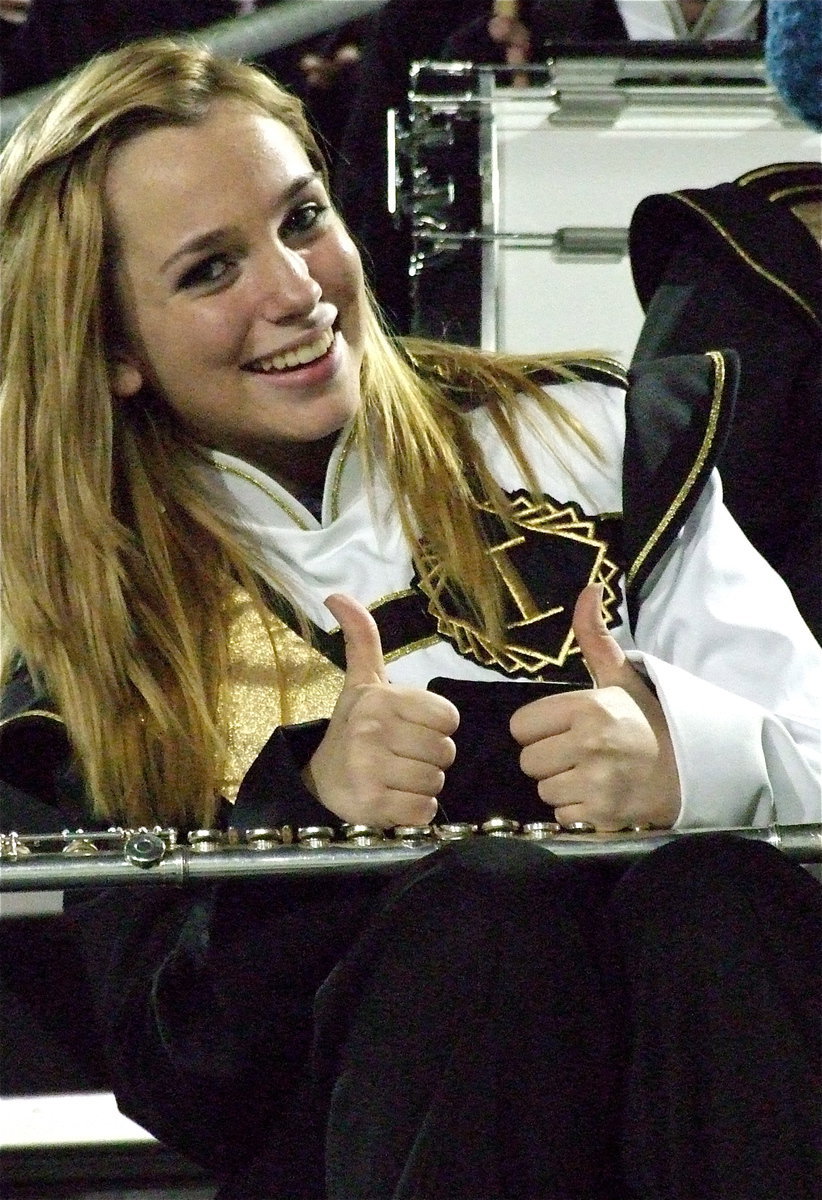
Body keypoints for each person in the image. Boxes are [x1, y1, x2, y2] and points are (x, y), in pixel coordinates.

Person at [0, 38, 820, 1200]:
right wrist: (315, 826)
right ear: (114, 346)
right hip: (373, 1147)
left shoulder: (588, 437)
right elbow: (184, 1079)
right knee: (490, 914)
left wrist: (693, 760)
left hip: (715, 1068)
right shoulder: (82, 629)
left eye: (302, 219)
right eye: (208, 271)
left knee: (717, 899)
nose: (293, 290)